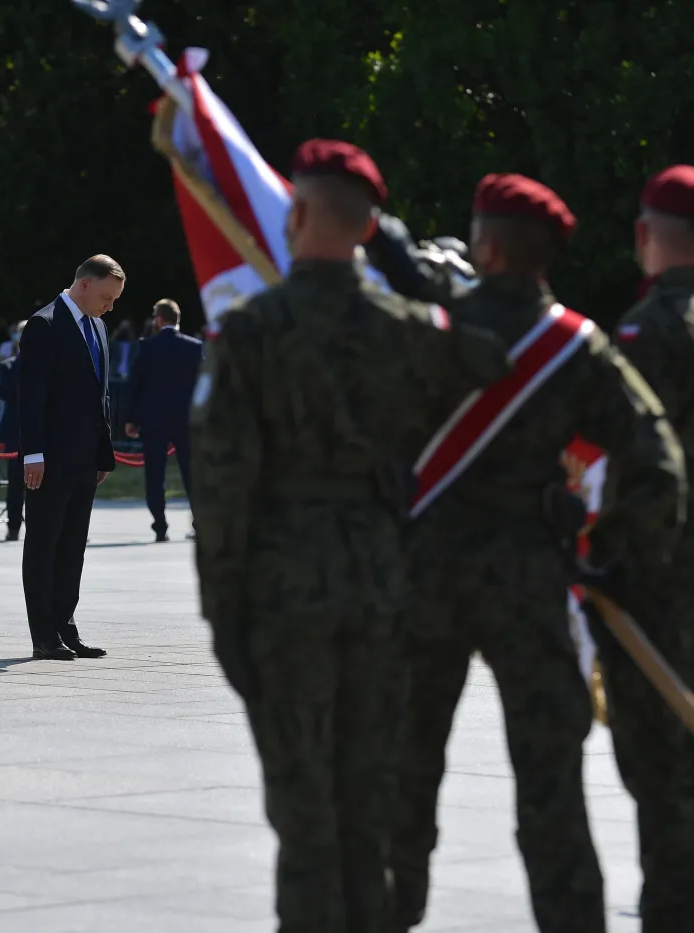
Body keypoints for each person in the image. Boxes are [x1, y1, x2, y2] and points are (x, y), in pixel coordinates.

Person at [191, 139, 516, 933]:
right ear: (371, 227)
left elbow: (222, 485)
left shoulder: (252, 330)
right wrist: (415, 277)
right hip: (380, 586)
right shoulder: (403, 326)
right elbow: (493, 359)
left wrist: (223, 610)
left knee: (305, 823)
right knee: (365, 817)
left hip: (283, 594)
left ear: (295, 213)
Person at [389, 173, 687, 933]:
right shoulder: (576, 346)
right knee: (551, 784)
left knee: (401, 776)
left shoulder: (425, 325)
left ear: (484, 247)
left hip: (420, 575)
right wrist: (610, 555)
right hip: (530, 576)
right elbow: (657, 465)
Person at [581, 166, 694, 933]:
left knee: (657, 749)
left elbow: (637, 456)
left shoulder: (649, 328)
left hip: (660, 553)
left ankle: (675, 904)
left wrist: (609, 554)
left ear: (646, 235)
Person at [19, 254, 122, 661]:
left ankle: (65, 624)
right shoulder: (44, 325)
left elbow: (101, 396)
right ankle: (43, 634)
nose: (109, 306)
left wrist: (102, 455)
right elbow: (33, 396)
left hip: (84, 460)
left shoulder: (97, 326)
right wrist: (33, 454)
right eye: (106, 297)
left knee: (73, 546)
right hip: (49, 460)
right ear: (83, 284)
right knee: (44, 545)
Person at [125, 298, 202, 542]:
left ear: (159, 319)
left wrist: (130, 418)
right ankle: (199, 521)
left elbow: (134, 385)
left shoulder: (147, 347)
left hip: (154, 418)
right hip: (186, 418)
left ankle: (160, 525)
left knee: (155, 475)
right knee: (192, 473)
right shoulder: (194, 347)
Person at [0, 343, 24, 541]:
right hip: (15, 431)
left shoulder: (50, 362)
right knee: (15, 483)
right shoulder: (8, 365)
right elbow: (4, 392)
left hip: (45, 430)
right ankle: (13, 526)